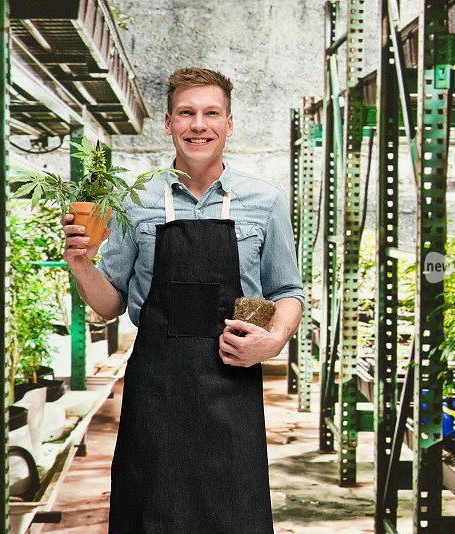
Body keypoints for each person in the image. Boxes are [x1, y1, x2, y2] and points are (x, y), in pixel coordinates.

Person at [60, 67, 304, 533]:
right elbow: (109, 307)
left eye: (211, 113)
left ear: (229, 123)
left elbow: (286, 290)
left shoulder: (264, 201)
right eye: (186, 113)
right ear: (169, 123)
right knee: (152, 513)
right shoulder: (135, 201)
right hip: (157, 390)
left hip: (231, 386)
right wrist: (81, 264)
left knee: (232, 515)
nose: (199, 125)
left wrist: (272, 342)